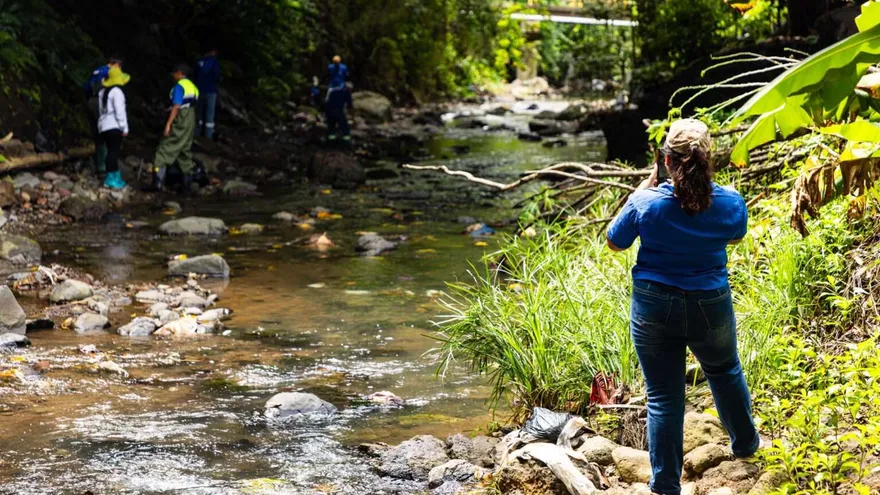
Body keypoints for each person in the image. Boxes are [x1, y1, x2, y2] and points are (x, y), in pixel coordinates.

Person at [606, 119, 759, 495]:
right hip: (711, 302)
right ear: (709, 160)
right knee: (724, 371)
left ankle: (666, 484)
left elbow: (614, 241)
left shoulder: (645, 202)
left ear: (665, 160)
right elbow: (735, 236)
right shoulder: (730, 201)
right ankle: (747, 446)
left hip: (654, 305)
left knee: (663, 396)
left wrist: (642, 189)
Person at [150, 64, 199, 193]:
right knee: (184, 150)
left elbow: (176, 106)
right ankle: (187, 187)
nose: (173, 75)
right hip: (191, 119)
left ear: (179, 73)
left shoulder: (179, 86)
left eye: (174, 73)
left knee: (164, 149)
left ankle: (157, 184)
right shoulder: (192, 86)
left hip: (181, 119)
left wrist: (168, 124)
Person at [84, 57, 123, 178]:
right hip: (102, 103)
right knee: (106, 133)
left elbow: (86, 88)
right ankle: (105, 167)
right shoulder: (109, 72)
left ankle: (99, 165)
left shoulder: (97, 71)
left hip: (91, 101)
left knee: (97, 133)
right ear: (116, 65)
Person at [96, 67, 130, 189]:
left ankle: (114, 176)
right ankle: (112, 179)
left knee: (110, 151)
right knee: (113, 152)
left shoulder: (102, 92)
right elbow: (120, 112)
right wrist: (124, 128)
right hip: (114, 125)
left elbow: (101, 111)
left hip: (104, 126)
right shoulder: (117, 92)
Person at [194, 48, 221, 139]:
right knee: (209, 114)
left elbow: (195, 75)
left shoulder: (199, 61)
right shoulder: (214, 62)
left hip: (199, 90)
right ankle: (208, 136)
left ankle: (196, 133)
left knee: (198, 113)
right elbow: (217, 76)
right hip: (211, 90)